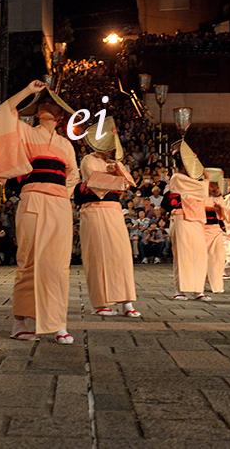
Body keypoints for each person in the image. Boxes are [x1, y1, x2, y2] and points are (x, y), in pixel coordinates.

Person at [0, 80, 79, 344]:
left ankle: (57, 323)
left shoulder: (66, 145)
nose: (47, 106)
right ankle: (20, 322)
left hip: (59, 204)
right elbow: (2, 113)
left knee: (57, 264)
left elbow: (72, 177)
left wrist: (63, 197)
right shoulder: (26, 132)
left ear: (61, 115)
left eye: (52, 104)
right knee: (28, 260)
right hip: (31, 199)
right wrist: (28, 91)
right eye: (43, 102)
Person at [76, 117, 139, 317]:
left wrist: (117, 169)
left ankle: (127, 301)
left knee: (121, 255)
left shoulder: (115, 162)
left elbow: (130, 182)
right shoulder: (88, 159)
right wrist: (114, 177)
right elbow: (95, 182)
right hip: (94, 209)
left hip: (113, 210)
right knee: (99, 255)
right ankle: (100, 302)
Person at [166, 141, 210, 301]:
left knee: (199, 254)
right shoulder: (177, 177)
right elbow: (203, 190)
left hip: (196, 218)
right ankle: (180, 289)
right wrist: (206, 181)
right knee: (183, 255)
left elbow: (202, 193)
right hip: (181, 217)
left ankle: (198, 289)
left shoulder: (189, 180)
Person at [203, 169, 230, 294]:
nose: (213, 187)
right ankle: (200, 283)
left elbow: (226, 217)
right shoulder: (200, 197)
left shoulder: (219, 198)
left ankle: (217, 285)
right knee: (203, 258)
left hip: (215, 229)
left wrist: (219, 209)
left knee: (218, 258)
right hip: (202, 230)